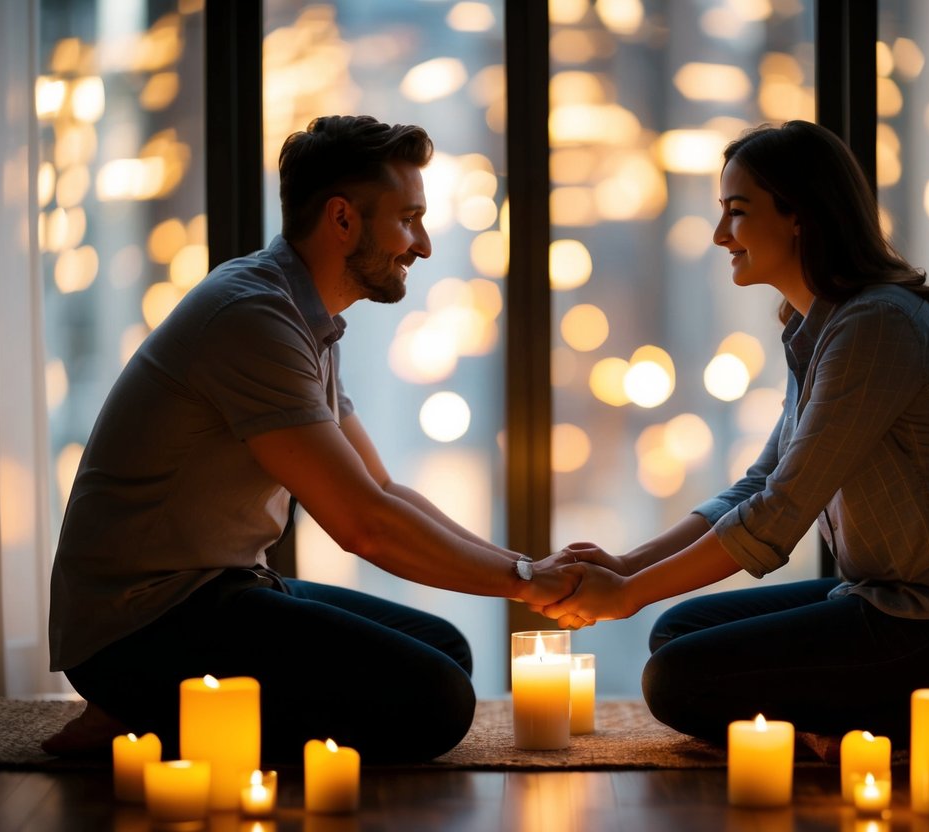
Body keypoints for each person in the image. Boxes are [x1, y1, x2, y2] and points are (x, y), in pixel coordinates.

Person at [44, 115, 574, 764]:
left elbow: (380, 486)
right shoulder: (253, 319)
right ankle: (149, 709)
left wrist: (525, 568)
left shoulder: (301, 317)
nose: (424, 245)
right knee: (437, 701)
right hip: (144, 623)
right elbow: (363, 526)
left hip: (225, 586)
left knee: (446, 651)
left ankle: (156, 710)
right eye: (408, 219)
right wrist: (526, 581)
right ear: (343, 219)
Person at [541, 120, 929, 746]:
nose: (719, 234)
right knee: (675, 633)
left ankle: (924, 729)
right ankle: (845, 729)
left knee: (677, 677)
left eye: (736, 211)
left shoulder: (877, 327)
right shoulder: (823, 324)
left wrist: (626, 594)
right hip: (881, 597)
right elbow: (758, 483)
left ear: (799, 217)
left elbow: (779, 514)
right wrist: (628, 567)